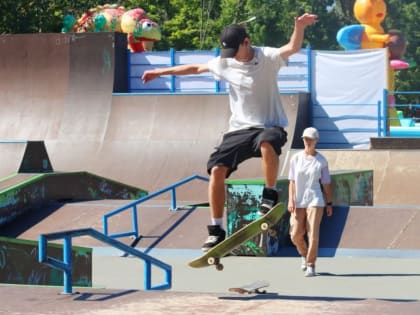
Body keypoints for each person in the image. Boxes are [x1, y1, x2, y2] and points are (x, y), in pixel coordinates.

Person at [142, 13, 318, 251]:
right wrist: (160, 73)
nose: (233, 56)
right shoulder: (224, 62)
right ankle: (216, 230)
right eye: (229, 52)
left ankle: (269, 194)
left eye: (237, 50)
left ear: (247, 42)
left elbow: (292, 47)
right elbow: (195, 68)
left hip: (269, 125)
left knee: (267, 143)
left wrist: (299, 27)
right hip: (239, 128)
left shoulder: (267, 57)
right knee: (216, 170)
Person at [287, 127, 333, 277]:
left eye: (310, 139)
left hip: (315, 199)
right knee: (295, 234)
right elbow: (292, 181)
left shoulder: (322, 161)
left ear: (316, 141)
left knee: (312, 233)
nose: (307, 141)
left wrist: (329, 203)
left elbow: (326, 183)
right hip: (298, 201)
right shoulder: (295, 158)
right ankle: (304, 254)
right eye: (305, 139)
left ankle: (311, 265)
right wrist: (291, 200)